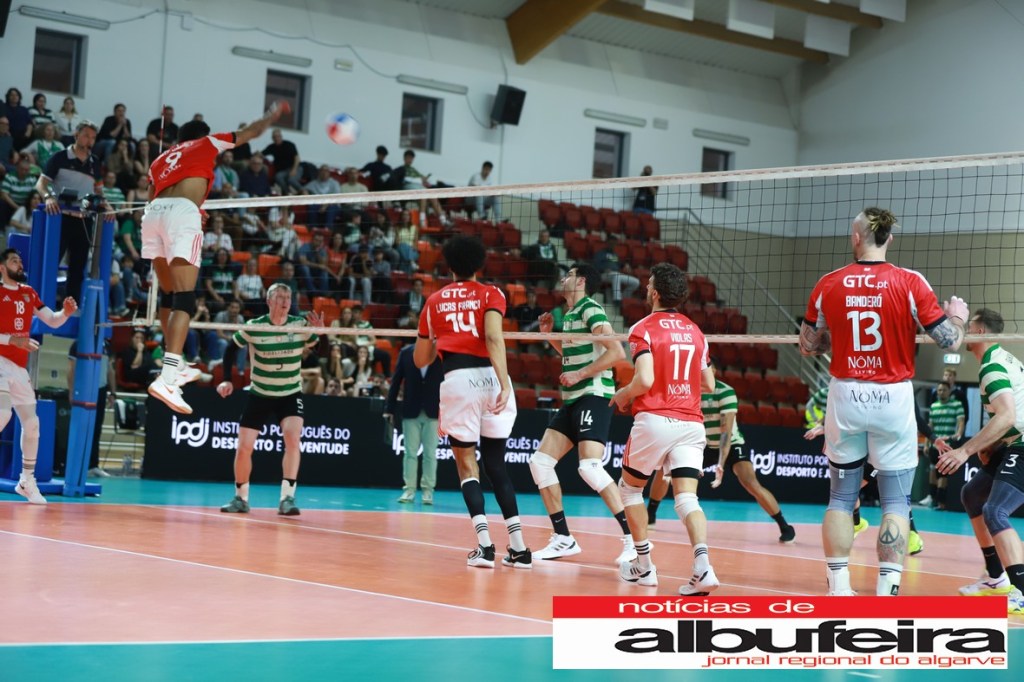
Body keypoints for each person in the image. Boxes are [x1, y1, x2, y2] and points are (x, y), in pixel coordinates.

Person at [799, 206, 968, 596]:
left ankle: (839, 588)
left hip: (846, 393)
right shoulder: (909, 281)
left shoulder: (828, 283)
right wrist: (957, 317)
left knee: (841, 498)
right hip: (892, 396)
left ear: (856, 237)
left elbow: (807, 346)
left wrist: (841, 338)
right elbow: (950, 342)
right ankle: (886, 591)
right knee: (896, 500)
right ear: (889, 238)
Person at [141, 102, 285, 414]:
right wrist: (271, 116)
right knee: (185, 298)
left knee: (169, 293)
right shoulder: (208, 142)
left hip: (152, 215)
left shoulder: (160, 159)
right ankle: (167, 378)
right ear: (201, 135)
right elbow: (251, 132)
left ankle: (176, 363)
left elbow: (152, 197)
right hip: (181, 214)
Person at [413, 234, 531, 569]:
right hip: (493, 379)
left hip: (459, 380)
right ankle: (520, 549)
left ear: (449, 265)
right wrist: (505, 383)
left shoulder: (434, 301)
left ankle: (485, 547)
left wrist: (436, 338)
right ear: (480, 263)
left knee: (467, 466)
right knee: (496, 465)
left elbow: (421, 360)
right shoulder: (492, 293)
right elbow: (493, 337)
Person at [611, 262, 717, 592]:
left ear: (655, 293)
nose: (645, 288)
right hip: (691, 423)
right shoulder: (695, 331)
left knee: (630, 490)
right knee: (687, 499)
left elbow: (644, 380)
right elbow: (710, 384)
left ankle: (644, 567)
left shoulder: (642, 328)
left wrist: (623, 394)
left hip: (656, 419)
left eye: (648, 284)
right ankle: (703, 567)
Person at [527, 263, 633, 564]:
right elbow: (574, 355)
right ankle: (563, 538)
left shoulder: (591, 310)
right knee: (540, 463)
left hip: (594, 394)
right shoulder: (571, 314)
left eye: (569, 275)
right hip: (573, 399)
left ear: (581, 281)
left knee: (589, 467)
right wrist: (549, 336)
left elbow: (616, 353)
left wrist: (580, 375)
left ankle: (634, 539)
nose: (563, 279)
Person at [936, 309, 1024, 615]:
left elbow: (1008, 416)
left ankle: (1022, 591)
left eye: (968, 326)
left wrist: (965, 451)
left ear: (980, 331)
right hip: (1013, 442)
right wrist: (989, 445)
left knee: (995, 510)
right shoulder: (1000, 359)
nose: (962, 332)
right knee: (973, 494)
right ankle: (996, 578)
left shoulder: (992, 367)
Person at [217, 284, 322, 516]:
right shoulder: (255, 326)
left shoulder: (300, 325)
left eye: (288, 297)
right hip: (260, 393)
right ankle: (241, 498)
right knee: (244, 447)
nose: (285, 301)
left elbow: (319, 350)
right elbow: (230, 350)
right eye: (280, 297)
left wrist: (320, 333)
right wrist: (226, 380)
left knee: (293, 439)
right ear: (269, 301)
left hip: (290, 393)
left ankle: (287, 498)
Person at [0, 248, 78, 504]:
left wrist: (65, 313)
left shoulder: (28, 292)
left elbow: (52, 321)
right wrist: (12, 340)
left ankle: (26, 481)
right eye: (14, 261)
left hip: (18, 366)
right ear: (2, 268)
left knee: (32, 424)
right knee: (2, 413)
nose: (19, 264)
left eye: (20, 260)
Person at [704, 375, 795, 541]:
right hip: (706, 444)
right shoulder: (690, 391)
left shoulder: (724, 391)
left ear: (713, 370)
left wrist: (720, 464)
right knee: (669, 471)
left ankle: (784, 526)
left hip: (731, 444)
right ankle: (653, 513)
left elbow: (726, 433)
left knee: (751, 483)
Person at [34, 120, 109, 305]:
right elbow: (41, 184)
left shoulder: (95, 162)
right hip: (60, 219)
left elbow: (99, 192)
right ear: (76, 135)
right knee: (51, 262)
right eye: (86, 136)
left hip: (84, 220)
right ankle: (42, 304)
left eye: (93, 137)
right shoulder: (59, 157)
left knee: (78, 267)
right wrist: (48, 197)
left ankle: (71, 307)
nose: (89, 140)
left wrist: (107, 206)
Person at [385, 344, 443, 504]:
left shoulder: (441, 352)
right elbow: (396, 381)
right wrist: (389, 408)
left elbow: (449, 382)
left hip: (434, 411)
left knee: (430, 454)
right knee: (410, 453)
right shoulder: (406, 353)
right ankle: (409, 490)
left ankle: (428, 491)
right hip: (411, 409)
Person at [67, 339, 115, 478]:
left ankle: (93, 465)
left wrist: (113, 392)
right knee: (82, 427)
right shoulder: (79, 342)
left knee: (97, 428)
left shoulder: (106, 345)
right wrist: (71, 391)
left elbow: (110, 370)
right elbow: (72, 368)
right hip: (84, 390)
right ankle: (78, 465)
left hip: (101, 390)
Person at [922, 381, 965, 510]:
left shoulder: (957, 405)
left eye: (944, 390)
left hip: (947, 445)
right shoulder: (934, 406)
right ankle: (932, 498)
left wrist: (958, 434)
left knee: (943, 473)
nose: (941, 392)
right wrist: (926, 444)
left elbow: (961, 422)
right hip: (934, 445)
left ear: (949, 391)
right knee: (933, 470)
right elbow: (930, 426)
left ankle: (941, 502)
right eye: (939, 390)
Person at [593, 234, 639, 304]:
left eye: (614, 243)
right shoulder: (601, 254)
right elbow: (596, 265)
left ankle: (624, 298)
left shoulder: (615, 255)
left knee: (635, 282)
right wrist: (604, 269)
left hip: (616, 274)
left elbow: (618, 263)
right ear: (607, 242)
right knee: (616, 275)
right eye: (611, 243)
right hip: (603, 275)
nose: (612, 245)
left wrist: (625, 265)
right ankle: (617, 299)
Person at [262, 128, 302, 195]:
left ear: (281, 136)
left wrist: (294, 169)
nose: (276, 138)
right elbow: (262, 154)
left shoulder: (289, 145)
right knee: (278, 177)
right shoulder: (271, 147)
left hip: (296, 168)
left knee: (291, 180)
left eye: (278, 136)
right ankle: (287, 193)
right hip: (283, 171)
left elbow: (297, 158)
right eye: (274, 137)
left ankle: (304, 192)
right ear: (272, 138)